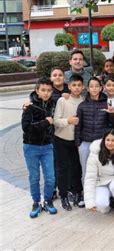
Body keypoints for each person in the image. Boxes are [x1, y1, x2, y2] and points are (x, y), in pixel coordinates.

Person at [22, 77, 57, 218]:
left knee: (50, 178)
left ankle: (48, 200)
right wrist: (45, 122)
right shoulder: (29, 106)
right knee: (34, 177)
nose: (46, 93)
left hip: (48, 146)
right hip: (31, 147)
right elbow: (26, 128)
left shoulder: (53, 104)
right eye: (43, 90)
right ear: (37, 91)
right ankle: (36, 202)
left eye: (49, 90)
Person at [75, 77, 114, 189]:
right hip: (86, 142)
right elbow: (78, 126)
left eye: (96, 86)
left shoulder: (106, 103)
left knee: (102, 171)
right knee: (86, 170)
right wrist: (78, 143)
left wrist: (112, 114)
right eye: (91, 86)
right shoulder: (82, 105)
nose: (94, 89)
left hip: (101, 143)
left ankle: (100, 194)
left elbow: (112, 124)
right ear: (88, 89)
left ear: (101, 88)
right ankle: (86, 194)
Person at [53, 74, 84, 211]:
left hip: (76, 142)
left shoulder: (84, 101)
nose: (76, 88)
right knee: (62, 169)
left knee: (77, 168)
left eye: (79, 85)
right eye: (74, 85)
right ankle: (64, 195)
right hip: (61, 140)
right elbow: (56, 121)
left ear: (83, 87)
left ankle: (78, 193)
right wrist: (68, 121)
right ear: (69, 86)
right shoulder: (63, 100)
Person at [84, 129, 114, 223]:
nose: (110, 143)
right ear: (103, 140)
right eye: (107, 140)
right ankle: (107, 206)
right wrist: (89, 201)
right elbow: (90, 178)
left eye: (113, 140)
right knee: (101, 205)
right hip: (101, 182)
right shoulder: (95, 154)